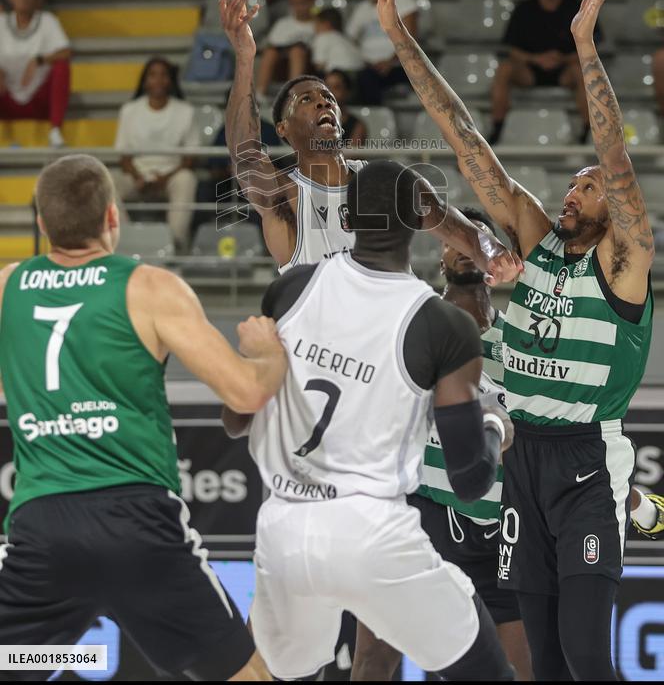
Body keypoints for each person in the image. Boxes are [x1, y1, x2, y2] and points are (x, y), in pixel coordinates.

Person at [371, 0, 659, 681]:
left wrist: (585, 48)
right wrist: (398, 35)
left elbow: (615, 157)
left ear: (612, 210)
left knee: (590, 654)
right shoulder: (536, 246)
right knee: (547, 661)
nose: (573, 191)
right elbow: (466, 139)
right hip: (521, 462)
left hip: (588, 460)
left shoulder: (622, 265)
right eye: (571, 183)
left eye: (587, 189)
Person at [223, 160, 516, 681]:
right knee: (488, 670)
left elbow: (235, 418)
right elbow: (471, 481)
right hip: (372, 533)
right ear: (422, 220)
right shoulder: (442, 324)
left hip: (285, 529)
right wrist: (492, 424)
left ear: (349, 217)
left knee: (267, 671)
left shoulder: (292, 289)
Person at [0, 153, 286, 681]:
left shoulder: (7, 286)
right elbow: (245, 393)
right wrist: (267, 354)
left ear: (41, 224)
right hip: (137, 525)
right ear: (114, 216)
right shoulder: (149, 287)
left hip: (43, 531)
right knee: (243, 675)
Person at [219, 0, 523, 279]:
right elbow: (244, 156)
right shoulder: (286, 196)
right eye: (307, 100)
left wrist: (492, 253)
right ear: (283, 128)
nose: (323, 103)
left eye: (328, 98)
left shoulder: (386, 183)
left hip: (389, 327)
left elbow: (455, 226)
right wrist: (245, 59)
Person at [352, 206, 532, 682]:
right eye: (458, 240)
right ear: (441, 257)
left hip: (501, 532)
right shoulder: (411, 328)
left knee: (515, 673)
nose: (468, 246)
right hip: (424, 516)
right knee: (374, 659)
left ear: (495, 259)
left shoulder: (520, 343)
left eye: (480, 239)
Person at [489, 0, 593, 145]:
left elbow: (592, 47)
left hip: (566, 71)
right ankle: (497, 127)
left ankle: (588, 130)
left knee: (582, 71)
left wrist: (562, 58)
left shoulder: (577, 8)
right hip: (530, 71)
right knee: (504, 68)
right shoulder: (523, 10)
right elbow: (512, 49)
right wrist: (536, 59)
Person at [113, 57, 199, 253]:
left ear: (170, 80)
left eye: (163, 75)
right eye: (153, 75)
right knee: (106, 181)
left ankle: (174, 243)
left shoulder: (185, 111)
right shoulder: (129, 111)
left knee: (187, 180)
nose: (158, 80)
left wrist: (164, 178)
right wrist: (138, 177)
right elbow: (124, 157)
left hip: (171, 175)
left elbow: (190, 158)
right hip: (136, 175)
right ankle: (124, 238)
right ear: (145, 81)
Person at [0, 0, 71, 146]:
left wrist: (38, 60)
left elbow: (66, 52)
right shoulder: (1, 22)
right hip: (6, 97)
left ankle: (55, 131)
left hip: (38, 98)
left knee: (62, 66)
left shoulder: (47, 20)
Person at [347, 0, 417, 105]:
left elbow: (410, 40)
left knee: (366, 79)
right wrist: (365, 62)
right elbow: (350, 43)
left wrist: (389, 62)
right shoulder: (361, 9)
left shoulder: (405, 1)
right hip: (367, 67)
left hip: (399, 66)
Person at [255, 0, 317, 101]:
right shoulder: (283, 24)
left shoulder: (319, 25)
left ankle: (294, 95)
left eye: (302, 2)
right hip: (282, 66)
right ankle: (260, 94)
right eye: (294, 2)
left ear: (312, 0)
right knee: (270, 53)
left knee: (297, 51)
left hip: (308, 65)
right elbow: (273, 45)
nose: (298, 7)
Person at [311, 7, 363, 77]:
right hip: (360, 73)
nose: (314, 27)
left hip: (339, 76)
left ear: (326, 24)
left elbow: (319, 65)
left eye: (316, 23)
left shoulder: (323, 37)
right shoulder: (346, 39)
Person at [323, 69, 367, 147]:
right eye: (327, 87)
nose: (330, 92)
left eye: (336, 87)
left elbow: (352, 155)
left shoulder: (357, 126)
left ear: (347, 92)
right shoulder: (314, 122)